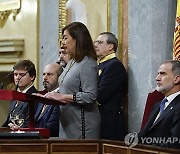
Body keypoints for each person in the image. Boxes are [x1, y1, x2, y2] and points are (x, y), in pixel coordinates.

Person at [45, 22, 101, 139]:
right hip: (67, 122)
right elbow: (66, 88)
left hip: (82, 125)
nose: (63, 42)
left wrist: (63, 97)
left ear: (77, 39)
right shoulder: (71, 62)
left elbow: (90, 96)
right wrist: (48, 96)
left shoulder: (87, 63)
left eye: (65, 38)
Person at [138, 60, 180, 149]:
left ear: (176, 79)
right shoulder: (158, 105)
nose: (157, 78)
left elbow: (175, 143)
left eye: (163, 74)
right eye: (158, 74)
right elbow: (145, 134)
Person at [94, 32, 127, 141]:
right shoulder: (101, 64)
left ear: (110, 46)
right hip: (100, 118)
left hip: (109, 121)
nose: (96, 45)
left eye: (100, 42)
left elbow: (101, 96)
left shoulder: (114, 65)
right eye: (95, 42)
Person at [2, 59, 38, 128]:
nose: (17, 78)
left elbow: (30, 125)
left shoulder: (35, 97)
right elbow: (8, 122)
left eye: (22, 75)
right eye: (15, 74)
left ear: (32, 77)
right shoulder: (15, 96)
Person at [34, 63, 62, 137]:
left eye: (49, 74)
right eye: (44, 74)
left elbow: (51, 128)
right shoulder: (43, 97)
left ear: (60, 77)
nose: (45, 78)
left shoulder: (60, 98)